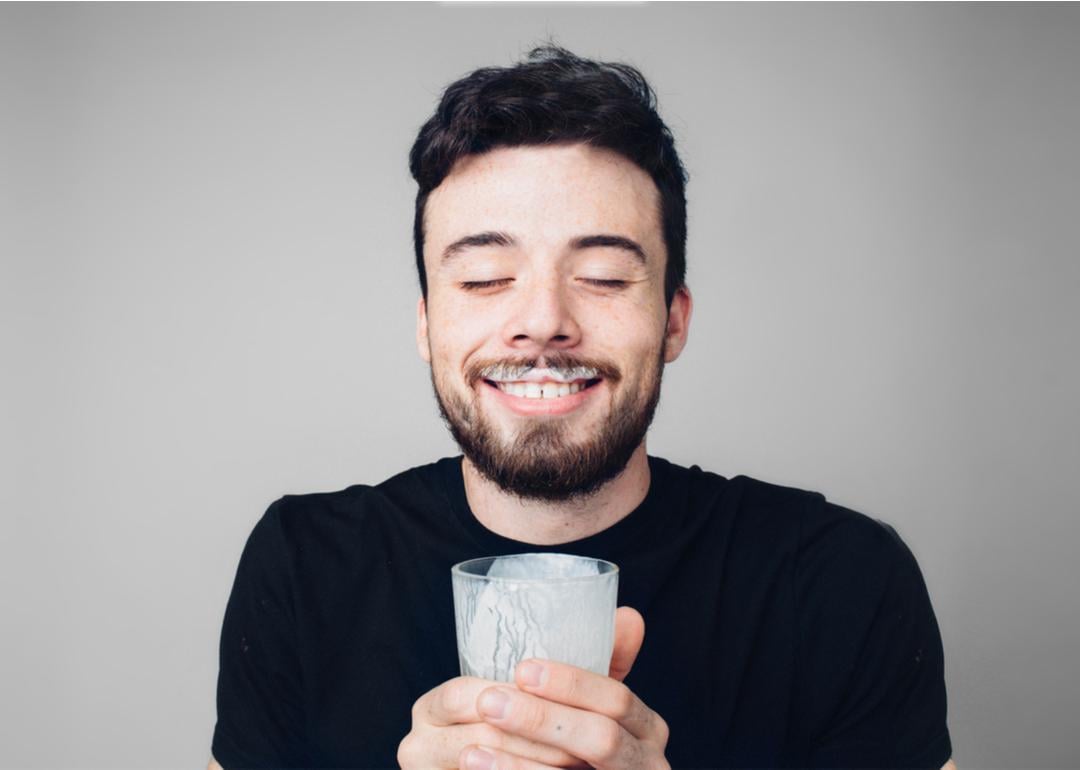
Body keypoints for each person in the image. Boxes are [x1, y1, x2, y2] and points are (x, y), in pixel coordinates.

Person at [208, 46, 954, 770]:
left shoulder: (836, 581)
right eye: (484, 277)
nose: (543, 320)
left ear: (673, 321)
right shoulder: (305, 568)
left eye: (601, 275)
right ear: (427, 324)